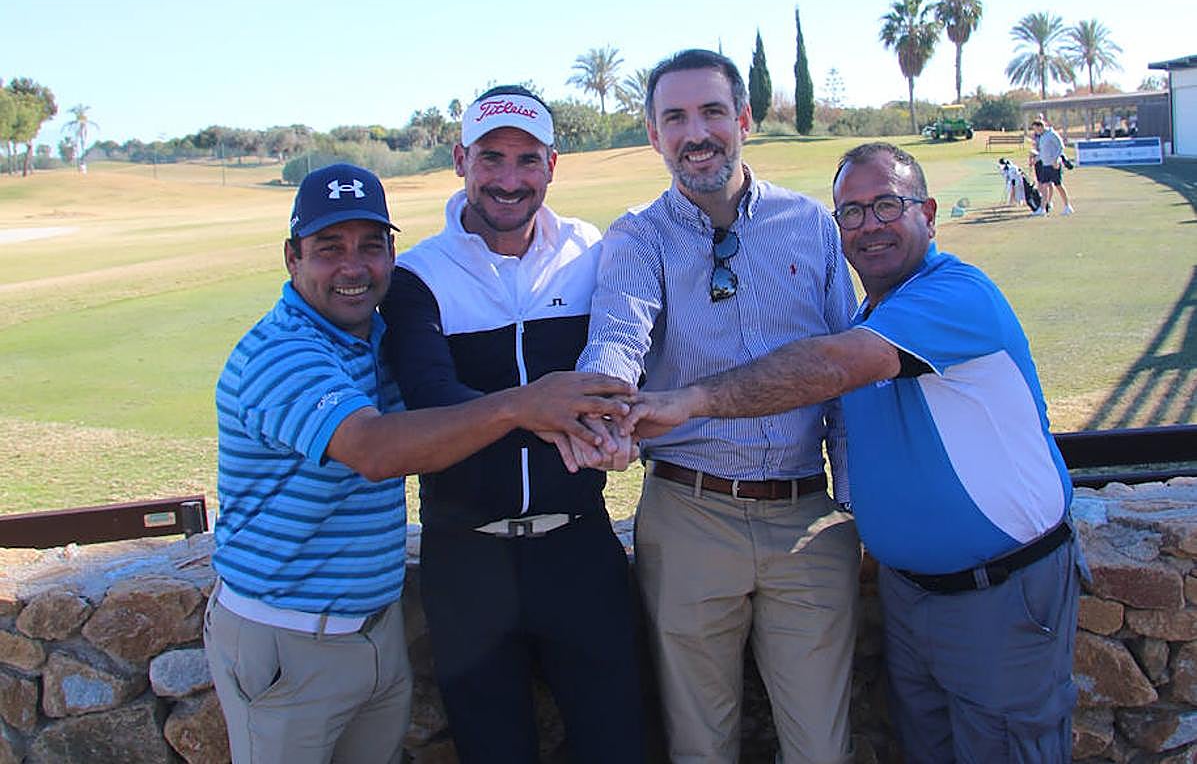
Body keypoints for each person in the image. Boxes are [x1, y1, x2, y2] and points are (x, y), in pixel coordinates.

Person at [625, 142, 1081, 763]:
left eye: (887, 205)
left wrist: (690, 402)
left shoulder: (954, 296)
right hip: (912, 599)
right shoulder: (870, 313)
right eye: (852, 212)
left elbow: (830, 367)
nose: (869, 225)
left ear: (930, 212)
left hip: (998, 598)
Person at [206, 162, 633, 764]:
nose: (354, 268)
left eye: (372, 247)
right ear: (291, 257)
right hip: (287, 635)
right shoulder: (284, 353)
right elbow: (376, 451)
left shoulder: (372, 337)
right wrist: (524, 405)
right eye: (329, 248)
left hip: (372, 631)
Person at [577, 49, 861, 764]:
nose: (694, 132)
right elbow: (617, 335)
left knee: (820, 748)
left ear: (742, 119)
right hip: (689, 515)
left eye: (710, 112)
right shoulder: (637, 237)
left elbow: (847, 373)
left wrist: (856, 504)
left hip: (806, 517)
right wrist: (603, 414)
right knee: (700, 747)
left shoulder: (809, 225)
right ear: (652, 135)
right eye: (674, 117)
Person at [378, 88, 645, 763]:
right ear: (460, 158)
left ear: (552, 164)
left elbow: (624, 363)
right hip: (465, 557)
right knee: (493, 748)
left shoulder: (591, 251)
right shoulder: (418, 275)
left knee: (616, 742)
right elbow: (432, 397)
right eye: (490, 157)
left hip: (578, 549)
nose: (507, 178)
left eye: (527, 159)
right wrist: (541, 407)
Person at [1032, 119, 1074, 215]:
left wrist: (1056, 159)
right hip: (1045, 165)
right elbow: (1043, 152)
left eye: (1036, 129)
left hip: (1054, 165)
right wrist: (1037, 159)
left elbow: (1061, 147)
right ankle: (1042, 209)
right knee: (1044, 186)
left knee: (1058, 185)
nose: (1035, 131)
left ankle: (1068, 206)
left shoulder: (1052, 134)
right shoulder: (1042, 137)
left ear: (1040, 127)